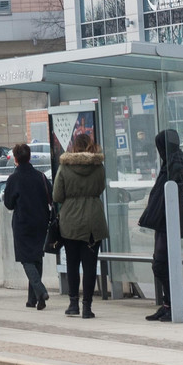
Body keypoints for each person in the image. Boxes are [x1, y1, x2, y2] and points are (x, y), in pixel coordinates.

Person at [138, 129, 183, 322]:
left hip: (168, 222)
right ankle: (168, 304)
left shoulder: (175, 165)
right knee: (161, 264)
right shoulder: (172, 162)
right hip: (164, 221)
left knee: (161, 265)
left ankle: (174, 305)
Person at [53, 133, 109, 319]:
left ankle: (73, 304)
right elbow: (101, 188)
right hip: (94, 219)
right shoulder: (98, 167)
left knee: (72, 263)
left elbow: (57, 196)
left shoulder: (64, 167)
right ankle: (87, 307)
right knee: (90, 265)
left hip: (70, 220)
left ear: (74, 147)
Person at [2, 143, 52, 311]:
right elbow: (50, 196)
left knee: (26, 259)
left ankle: (40, 290)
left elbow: (8, 204)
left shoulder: (14, 179)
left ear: (15, 159)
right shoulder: (41, 176)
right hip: (41, 222)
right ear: (29, 157)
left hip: (23, 224)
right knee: (37, 258)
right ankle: (34, 299)